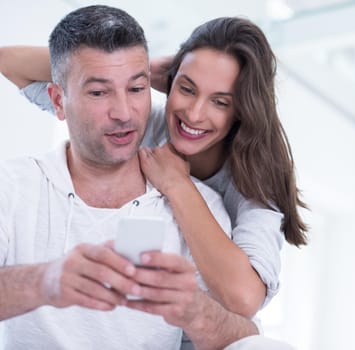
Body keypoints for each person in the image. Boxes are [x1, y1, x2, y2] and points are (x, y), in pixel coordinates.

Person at [0, 5, 295, 350]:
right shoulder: (139, 123)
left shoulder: (248, 187)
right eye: (186, 89)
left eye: (220, 101)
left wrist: (177, 184)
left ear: (242, 111)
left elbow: (243, 302)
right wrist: (136, 71)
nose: (195, 114)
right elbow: (10, 61)